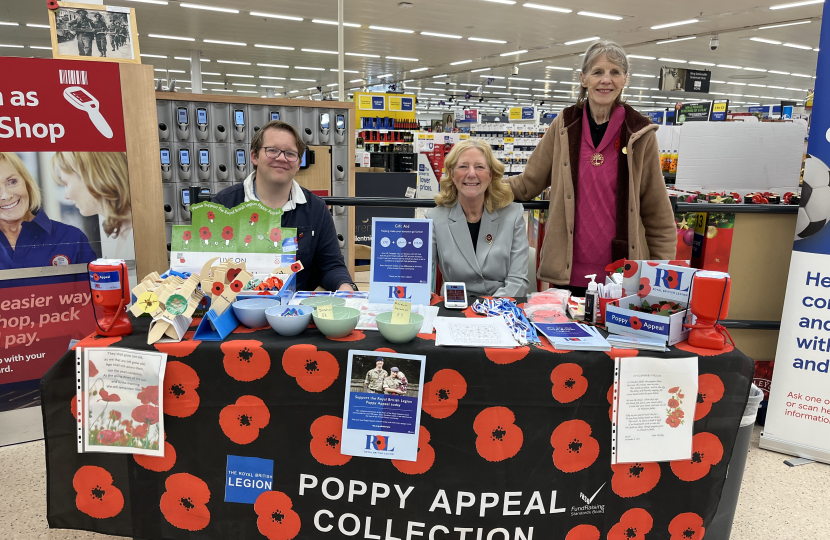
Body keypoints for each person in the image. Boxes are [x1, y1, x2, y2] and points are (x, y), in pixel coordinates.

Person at [507, 40, 676, 296]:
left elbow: (658, 214)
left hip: (622, 277)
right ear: (583, 78)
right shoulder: (564, 125)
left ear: (625, 80)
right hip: (567, 273)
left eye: (615, 72)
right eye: (598, 72)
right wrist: (479, 185)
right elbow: (528, 183)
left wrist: (661, 275)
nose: (605, 80)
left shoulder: (639, 133)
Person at [214, 120, 357, 292]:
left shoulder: (316, 209)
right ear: (254, 156)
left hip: (293, 313)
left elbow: (331, 265)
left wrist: (345, 286)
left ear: (298, 163)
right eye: (272, 150)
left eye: (290, 153)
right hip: (234, 309)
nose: (282, 158)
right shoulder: (224, 204)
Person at [425, 139, 529, 297]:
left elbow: (518, 281)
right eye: (463, 166)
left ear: (491, 174)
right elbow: (418, 273)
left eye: (480, 167)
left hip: (499, 310)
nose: (471, 174)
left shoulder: (512, 215)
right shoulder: (434, 219)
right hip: (454, 309)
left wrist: (489, 310)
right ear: (452, 174)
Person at [0, 153, 97, 285]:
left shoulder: (71, 239)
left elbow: (93, 301)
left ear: (26, 183)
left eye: (12, 182)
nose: (6, 195)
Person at [52, 152, 133, 260]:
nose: (66, 196)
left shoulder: (138, 231)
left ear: (91, 176)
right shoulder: (116, 233)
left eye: (66, 183)